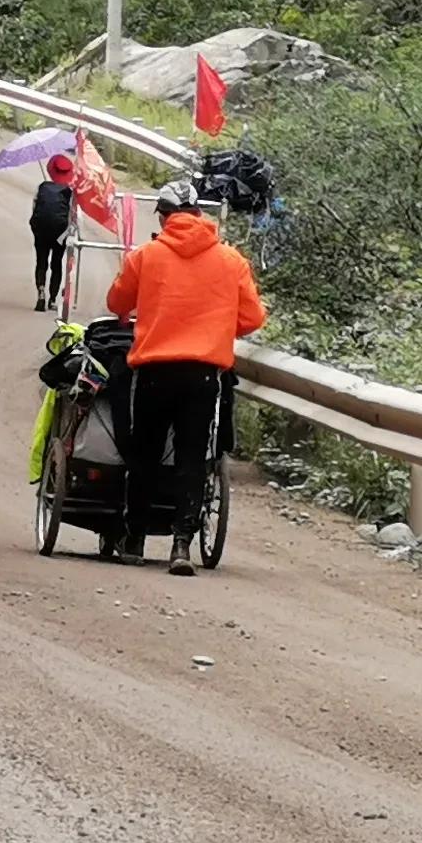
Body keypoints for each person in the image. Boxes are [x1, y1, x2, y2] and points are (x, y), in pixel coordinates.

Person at [101, 186, 265, 571]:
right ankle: (181, 546)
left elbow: (117, 303)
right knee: (192, 458)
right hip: (202, 374)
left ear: (163, 217)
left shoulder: (146, 256)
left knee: (145, 454)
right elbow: (252, 318)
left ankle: (134, 540)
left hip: (155, 371)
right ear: (198, 215)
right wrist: (216, 324)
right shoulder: (231, 260)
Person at [29, 153, 78, 311]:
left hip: (41, 228)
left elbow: (34, 208)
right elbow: (73, 215)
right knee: (56, 263)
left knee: (41, 261)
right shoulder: (69, 192)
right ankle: (52, 299)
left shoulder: (42, 187)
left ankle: (41, 292)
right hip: (59, 231)